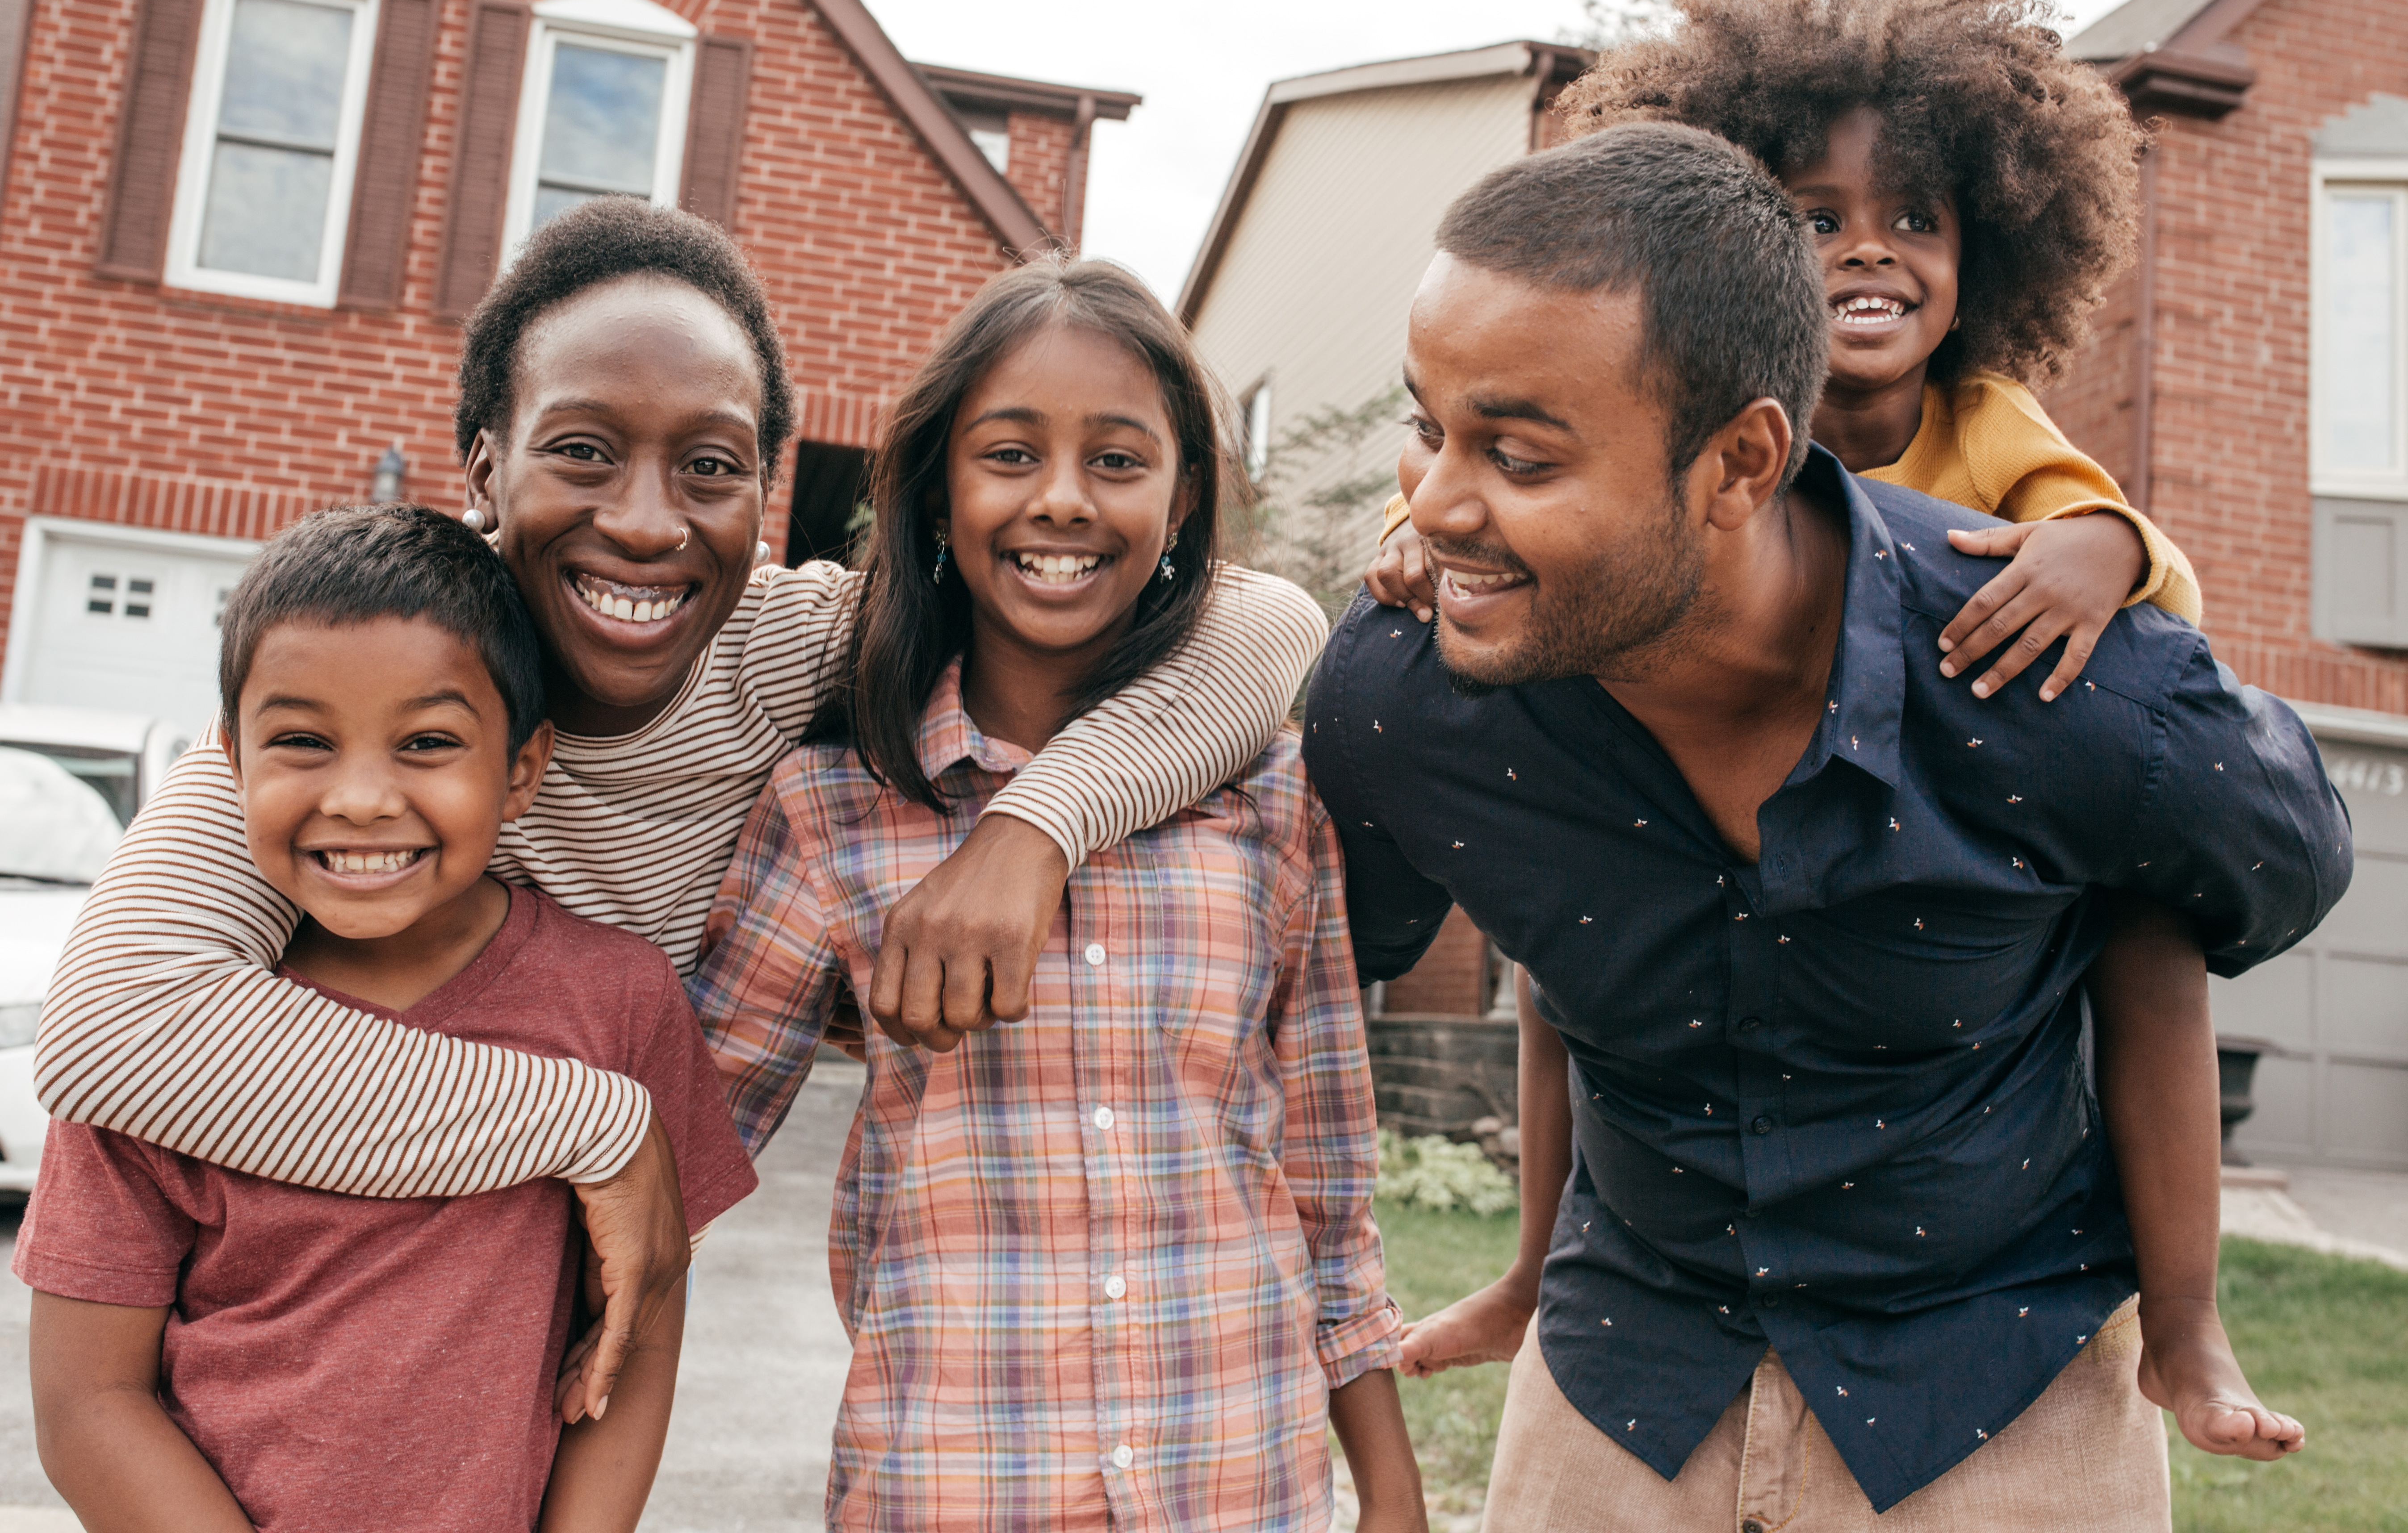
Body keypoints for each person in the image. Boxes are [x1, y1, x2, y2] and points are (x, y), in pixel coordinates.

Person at [36, 199, 1331, 1417]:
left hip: (534, 1368)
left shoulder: (781, 656)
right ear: (484, 470)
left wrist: (1031, 831)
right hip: (283, 1327)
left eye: (709, 466)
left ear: (766, 498)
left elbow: (1267, 622)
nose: (648, 524)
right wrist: (598, 1125)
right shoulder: (365, 711)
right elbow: (111, 1028)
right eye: (583, 451)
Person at [1307, 124, 2348, 1529]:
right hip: (1625, 1377)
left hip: (1998, 1384)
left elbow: (2282, 862)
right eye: (1431, 432)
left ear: (1740, 462)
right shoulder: (1408, 700)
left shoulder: (2066, 695)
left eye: (1520, 457)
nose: (1431, 511)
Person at [690, 259, 1422, 1532]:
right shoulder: (830, 809)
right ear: (936, 494)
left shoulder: (1272, 800)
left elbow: (1327, 1184)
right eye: (1011, 455)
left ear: (1184, 501)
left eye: (1120, 462)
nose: (1065, 502)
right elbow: (684, 1146)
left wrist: (1394, 1496)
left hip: (1245, 1482)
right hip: (955, 1482)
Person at [19, 503, 757, 1533]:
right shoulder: (166, 1050)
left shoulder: (618, 1000)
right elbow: (87, 1403)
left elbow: (631, 1338)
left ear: (521, 771)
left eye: (426, 742)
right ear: (231, 763)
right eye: (303, 741)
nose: (361, 797)